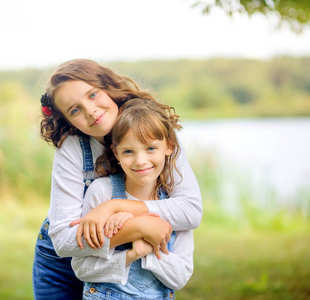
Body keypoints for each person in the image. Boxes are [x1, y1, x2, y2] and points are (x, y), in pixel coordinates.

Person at [32, 59, 202, 299]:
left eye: (92, 94)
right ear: (69, 121)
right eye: (75, 110)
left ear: (108, 87)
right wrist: (137, 228)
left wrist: (115, 206)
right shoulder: (73, 148)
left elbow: (191, 210)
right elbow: (63, 241)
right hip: (62, 263)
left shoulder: (153, 129)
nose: (90, 110)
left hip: (127, 256)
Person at [71, 98, 194, 299]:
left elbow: (180, 277)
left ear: (169, 147)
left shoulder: (176, 204)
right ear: (116, 153)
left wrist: (148, 251)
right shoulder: (102, 191)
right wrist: (132, 253)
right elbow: (81, 268)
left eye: (151, 148)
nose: (140, 161)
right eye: (128, 151)